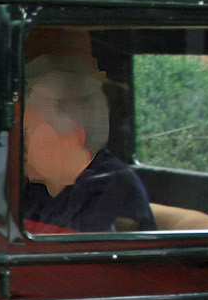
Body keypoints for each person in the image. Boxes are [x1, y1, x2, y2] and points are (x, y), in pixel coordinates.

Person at [21, 52, 156, 234]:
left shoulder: (109, 188)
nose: (23, 144)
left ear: (74, 136)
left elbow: (73, 257)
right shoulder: (41, 187)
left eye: (30, 133)